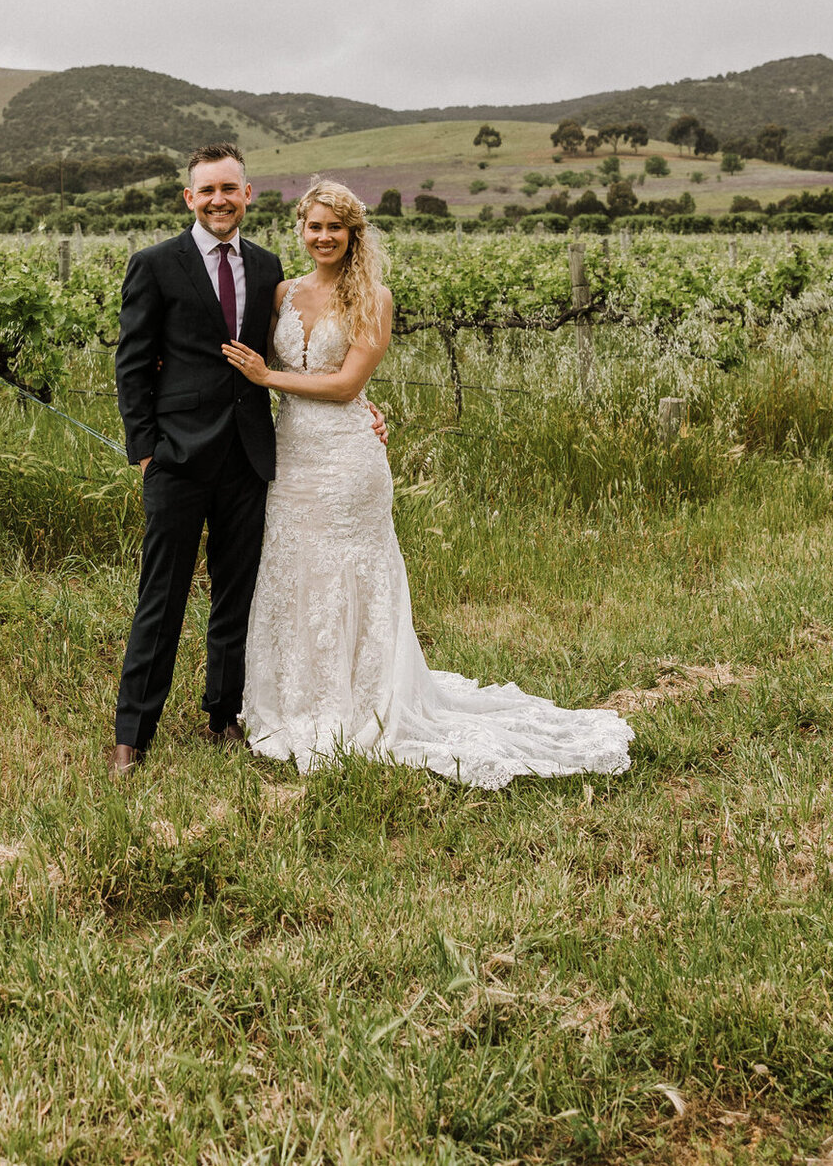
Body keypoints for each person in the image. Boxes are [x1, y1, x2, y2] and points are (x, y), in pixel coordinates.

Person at [219, 179, 634, 789]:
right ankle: (293, 700)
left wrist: (265, 378)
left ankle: (365, 702)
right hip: (291, 459)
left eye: (336, 227)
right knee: (293, 569)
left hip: (347, 463)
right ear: (301, 231)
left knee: (353, 573)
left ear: (353, 234)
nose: (324, 237)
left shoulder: (374, 298)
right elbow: (272, 360)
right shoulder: (283, 291)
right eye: (314, 226)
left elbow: (344, 386)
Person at [109, 146, 385, 774]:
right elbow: (131, 366)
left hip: (252, 458)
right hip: (176, 460)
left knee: (238, 595)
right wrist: (146, 453)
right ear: (189, 198)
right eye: (207, 190)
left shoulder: (268, 269)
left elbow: (298, 360)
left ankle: (222, 716)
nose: (218, 200)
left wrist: (365, 406)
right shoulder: (154, 265)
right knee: (163, 595)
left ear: (248, 193)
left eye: (229, 189)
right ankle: (132, 734)